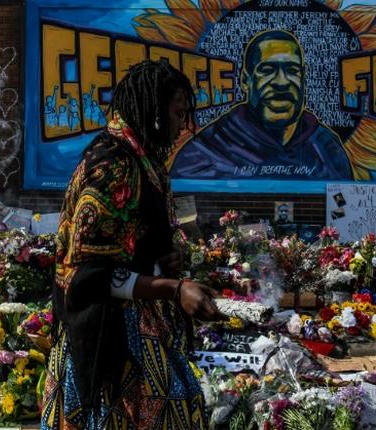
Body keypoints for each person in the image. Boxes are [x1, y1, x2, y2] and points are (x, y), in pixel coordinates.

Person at [41, 60, 222, 430]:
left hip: (134, 324)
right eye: (177, 114)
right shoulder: (114, 165)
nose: (183, 125)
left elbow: (129, 239)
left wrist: (163, 255)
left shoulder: (142, 158)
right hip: (112, 339)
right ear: (153, 112)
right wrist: (175, 289)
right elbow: (89, 275)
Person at [170, 30, 353, 180]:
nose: (281, 82)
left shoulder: (326, 147)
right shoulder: (207, 150)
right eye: (267, 70)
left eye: (292, 70)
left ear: (303, 79)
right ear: (245, 80)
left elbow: (344, 209)